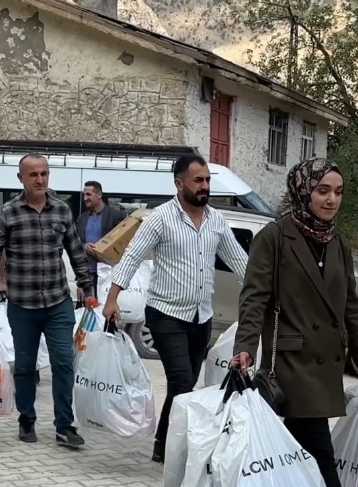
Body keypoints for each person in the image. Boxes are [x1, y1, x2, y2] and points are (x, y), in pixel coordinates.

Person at [228, 158, 358, 487]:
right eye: (322, 191)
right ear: (303, 191)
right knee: (320, 451)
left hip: (327, 362)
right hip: (290, 364)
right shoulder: (275, 237)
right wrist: (245, 347)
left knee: (298, 452)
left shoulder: (339, 242)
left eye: (338, 191)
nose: (332, 199)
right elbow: (255, 298)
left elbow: (350, 304)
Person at [105, 154, 250, 464]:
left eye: (208, 180)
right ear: (179, 183)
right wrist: (112, 298)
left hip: (201, 317)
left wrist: (268, 293)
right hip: (166, 314)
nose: (205, 186)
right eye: (198, 180)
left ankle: (164, 439)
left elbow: (240, 262)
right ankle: (174, 447)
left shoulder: (216, 221)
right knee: (181, 382)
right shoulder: (161, 218)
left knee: (187, 384)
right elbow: (131, 257)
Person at [0, 155, 94, 449]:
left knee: (64, 363)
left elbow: (76, 252)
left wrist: (87, 288)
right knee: (26, 366)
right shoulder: (7, 213)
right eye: (33, 175)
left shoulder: (62, 211)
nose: (39, 180)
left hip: (58, 302)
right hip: (22, 304)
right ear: (21, 179)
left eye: (44, 174)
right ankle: (26, 418)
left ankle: (64, 425)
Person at [77, 180, 125, 295]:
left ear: (99, 195)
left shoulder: (115, 215)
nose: (85, 198)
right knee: (89, 310)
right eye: (84, 195)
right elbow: (76, 245)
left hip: (108, 274)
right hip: (87, 275)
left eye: (89, 194)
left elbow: (123, 243)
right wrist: (84, 246)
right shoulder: (81, 219)